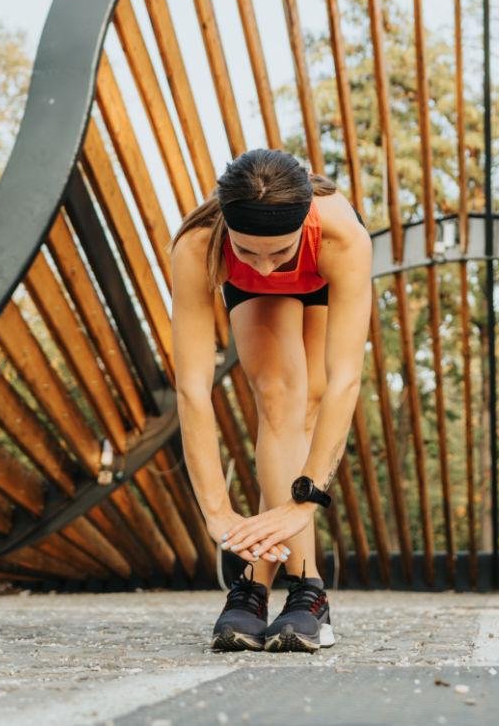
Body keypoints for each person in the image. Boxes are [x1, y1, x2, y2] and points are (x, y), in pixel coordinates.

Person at [169, 148, 370, 652]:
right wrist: (216, 511)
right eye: (248, 250)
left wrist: (306, 501)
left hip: (318, 275)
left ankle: (262, 588)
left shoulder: (343, 238)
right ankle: (304, 587)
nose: (264, 265)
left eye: (277, 252)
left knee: (312, 403)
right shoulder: (199, 244)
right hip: (254, 290)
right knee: (280, 397)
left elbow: (346, 378)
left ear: (303, 226)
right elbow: (193, 387)